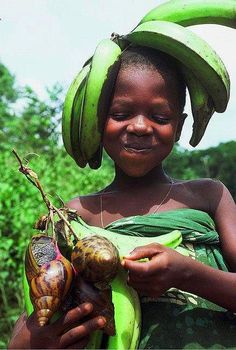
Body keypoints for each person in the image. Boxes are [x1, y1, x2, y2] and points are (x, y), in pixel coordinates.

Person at [9, 46, 236, 349]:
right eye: (120, 114)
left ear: (179, 126)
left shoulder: (208, 195)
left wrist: (187, 274)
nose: (140, 127)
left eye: (159, 116)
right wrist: (29, 340)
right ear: (97, 121)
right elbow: (39, 299)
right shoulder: (75, 214)